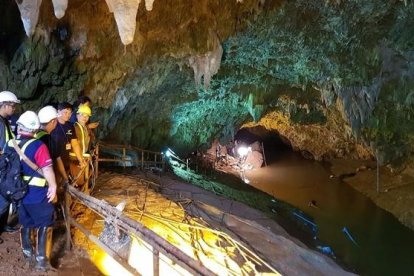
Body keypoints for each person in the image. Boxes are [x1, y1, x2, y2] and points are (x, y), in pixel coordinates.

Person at [9, 111, 57, 271]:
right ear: (36, 130)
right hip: (36, 194)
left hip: (17, 194)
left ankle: (28, 255)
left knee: (26, 222)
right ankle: (42, 262)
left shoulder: (9, 144)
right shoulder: (39, 145)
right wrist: (53, 186)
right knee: (45, 222)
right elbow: (47, 169)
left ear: (19, 127)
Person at [0, 91, 21, 240]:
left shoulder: (5, 121)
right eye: (12, 106)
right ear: (5, 105)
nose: (14, 109)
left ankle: (3, 225)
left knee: (5, 197)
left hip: (5, 165)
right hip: (1, 166)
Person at [36, 106, 69, 186]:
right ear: (53, 121)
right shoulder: (50, 140)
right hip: (46, 181)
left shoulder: (33, 135)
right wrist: (65, 178)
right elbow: (58, 160)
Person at [50, 102, 85, 176]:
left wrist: (81, 160)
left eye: (70, 113)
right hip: (53, 159)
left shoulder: (70, 126)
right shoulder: (52, 124)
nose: (68, 115)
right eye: (65, 112)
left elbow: (75, 143)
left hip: (65, 157)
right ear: (58, 111)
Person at [70, 104, 93, 192]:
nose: (84, 117)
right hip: (75, 157)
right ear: (77, 115)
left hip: (82, 156)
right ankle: (76, 198)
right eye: (82, 114)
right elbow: (74, 144)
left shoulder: (84, 128)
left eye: (87, 115)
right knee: (78, 180)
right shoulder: (74, 127)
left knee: (82, 178)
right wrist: (79, 158)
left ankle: (80, 196)